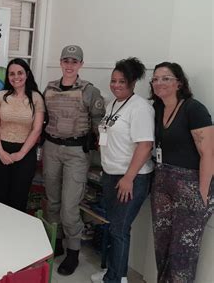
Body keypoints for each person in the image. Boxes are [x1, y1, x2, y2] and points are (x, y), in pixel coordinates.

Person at [43, 45, 105, 276]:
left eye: (74, 61)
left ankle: (73, 251)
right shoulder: (49, 88)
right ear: (60, 62)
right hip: (51, 147)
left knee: (70, 207)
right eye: (66, 60)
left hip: (77, 152)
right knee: (52, 201)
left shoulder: (89, 91)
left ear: (81, 64)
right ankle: (56, 242)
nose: (69, 65)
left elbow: (100, 124)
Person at [90, 58, 154, 283]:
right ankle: (114, 272)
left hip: (131, 178)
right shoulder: (113, 104)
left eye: (122, 81)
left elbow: (145, 145)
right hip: (111, 173)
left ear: (133, 82)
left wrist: (128, 178)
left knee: (119, 229)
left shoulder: (140, 108)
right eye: (113, 81)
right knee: (114, 226)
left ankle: (117, 279)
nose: (116, 85)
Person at [150, 62, 213, 283]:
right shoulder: (157, 108)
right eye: (156, 78)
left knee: (182, 253)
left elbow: (208, 154)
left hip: (191, 185)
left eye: (166, 78)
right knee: (162, 246)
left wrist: (202, 194)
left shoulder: (193, 109)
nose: (159, 82)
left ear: (179, 82)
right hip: (162, 182)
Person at [0, 58, 45, 212]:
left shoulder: (36, 98)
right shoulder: (0, 96)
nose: (16, 77)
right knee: (0, 199)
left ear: (27, 74)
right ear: (8, 77)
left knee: (18, 200)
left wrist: (21, 154)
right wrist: (0, 152)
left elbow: (37, 129)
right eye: (11, 74)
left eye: (20, 73)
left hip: (25, 154)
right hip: (0, 151)